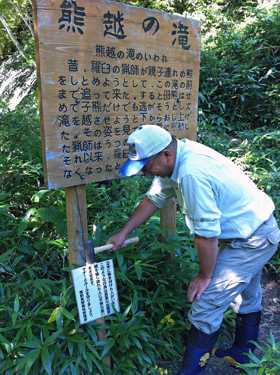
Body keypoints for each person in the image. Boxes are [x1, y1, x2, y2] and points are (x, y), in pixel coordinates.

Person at [107, 124, 280, 375]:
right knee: (247, 292)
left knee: (207, 301)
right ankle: (242, 354)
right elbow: (154, 199)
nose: (145, 173)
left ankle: (191, 371)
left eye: (146, 166)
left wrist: (205, 276)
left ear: (166, 155)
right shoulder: (178, 157)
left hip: (253, 239)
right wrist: (123, 232)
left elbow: (207, 235)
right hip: (252, 228)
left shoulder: (191, 174)